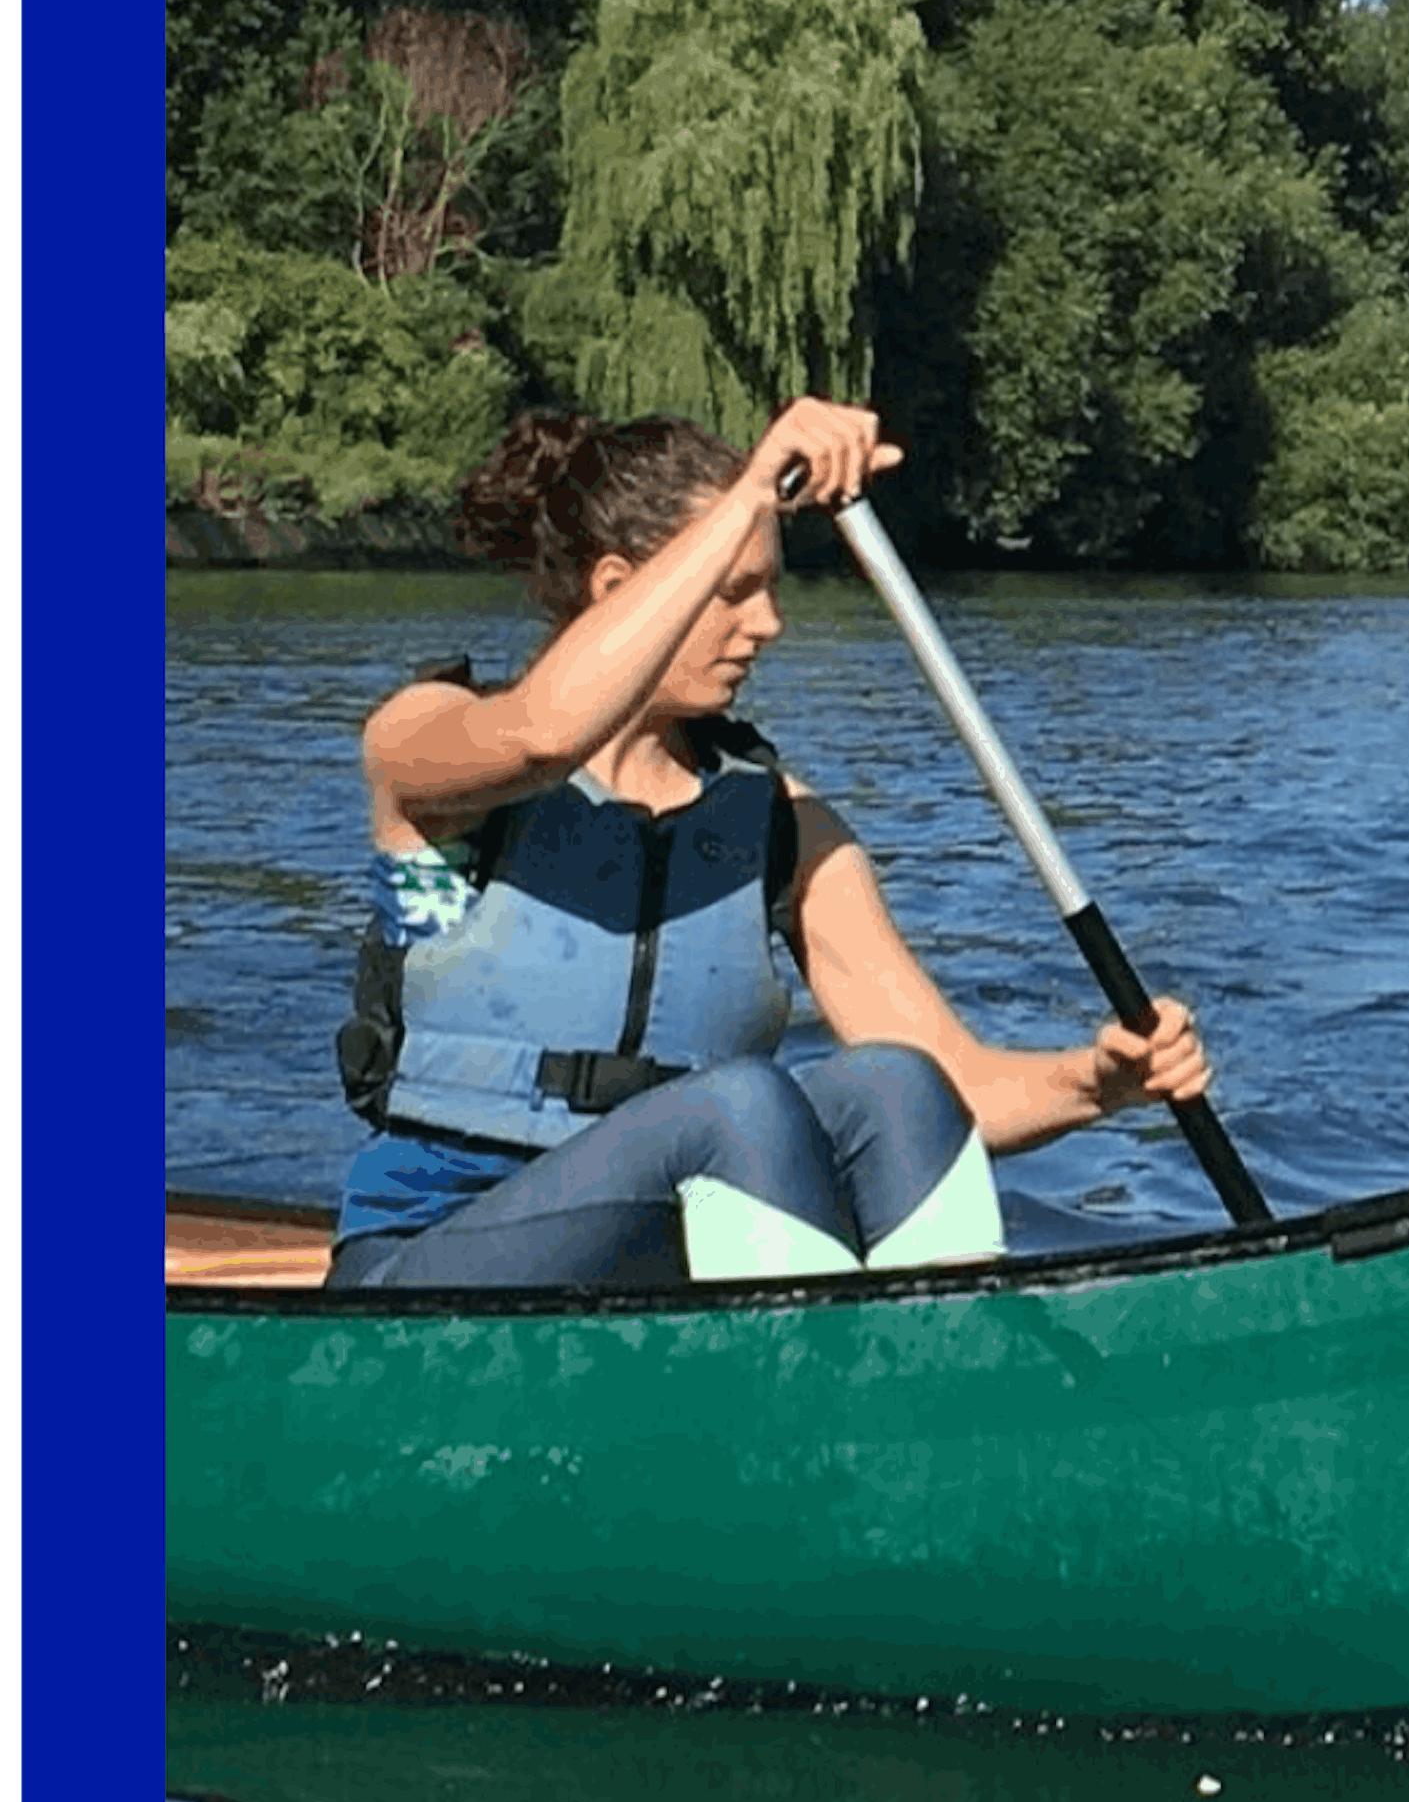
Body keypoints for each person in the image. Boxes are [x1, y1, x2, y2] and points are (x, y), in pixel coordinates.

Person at [333, 397, 1210, 1290]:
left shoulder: (780, 822)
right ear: (615, 591)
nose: (769, 624)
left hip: (663, 1266)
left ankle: (944, 1384)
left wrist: (1098, 1083)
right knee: (740, 1104)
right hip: (428, 1263)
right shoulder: (430, 739)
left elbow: (955, 1087)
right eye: (735, 591)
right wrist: (751, 492)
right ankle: (816, 1393)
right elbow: (543, 737)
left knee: (895, 1086)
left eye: (772, 586)